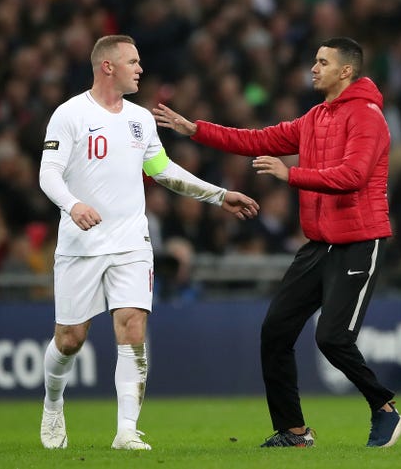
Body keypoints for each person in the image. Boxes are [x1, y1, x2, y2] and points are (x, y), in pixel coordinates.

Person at [154, 37, 401, 448]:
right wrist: (194, 129)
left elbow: (354, 176)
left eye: (323, 62)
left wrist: (291, 175)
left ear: (346, 71)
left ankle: (385, 409)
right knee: (275, 331)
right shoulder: (315, 118)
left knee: (332, 337)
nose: (313, 67)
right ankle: (293, 431)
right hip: (319, 243)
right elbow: (256, 140)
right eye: (315, 60)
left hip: (360, 240)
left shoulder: (368, 117)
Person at [38, 35, 259, 451]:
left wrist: (218, 195)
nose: (140, 68)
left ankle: (126, 431)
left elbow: (163, 171)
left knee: (133, 327)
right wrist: (73, 204)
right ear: (108, 66)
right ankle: (52, 404)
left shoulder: (139, 119)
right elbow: (48, 174)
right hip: (80, 243)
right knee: (69, 339)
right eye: (133, 61)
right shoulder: (69, 114)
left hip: (130, 243)